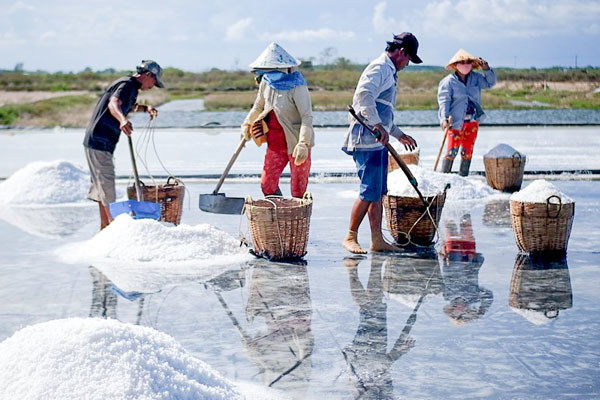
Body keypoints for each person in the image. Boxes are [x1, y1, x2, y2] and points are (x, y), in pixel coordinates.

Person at [342, 33, 420, 254]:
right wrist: (377, 125)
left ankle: (377, 239)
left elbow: (383, 112)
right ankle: (350, 236)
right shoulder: (380, 68)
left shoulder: (389, 71)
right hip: (366, 140)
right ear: (401, 52)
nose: (407, 65)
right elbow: (364, 96)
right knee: (369, 191)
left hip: (377, 141)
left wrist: (397, 133)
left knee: (378, 192)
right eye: (408, 59)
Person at [83, 60, 164, 229]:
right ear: (148, 75)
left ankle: (104, 227)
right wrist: (122, 120)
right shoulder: (126, 85)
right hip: (100, 139)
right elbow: (114, 104)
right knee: (106, 183)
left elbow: (128, 106)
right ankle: (114, 229)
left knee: (101, 185)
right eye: (153, 82)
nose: (152, 86)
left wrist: (146, 108)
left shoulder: (130, 88)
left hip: (98, 140)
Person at [241, 42, 314, 198]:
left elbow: (306, 116)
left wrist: (303, 143)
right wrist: (247, 123)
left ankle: (295, 218)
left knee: (298, 190)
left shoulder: (297, 86)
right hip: (275, 142)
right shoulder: (267, 83)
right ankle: (277, 213)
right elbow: (258, 107)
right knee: (267, 184)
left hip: (295, 142)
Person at [437, 49, 496, 176]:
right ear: (456, 65)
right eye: (462, 62)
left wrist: (486, 69)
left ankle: (463, 178)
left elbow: (490, 83)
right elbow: (444, 101)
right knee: (452, 151)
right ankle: (444, 177)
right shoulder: (448, 82)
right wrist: (444, 119)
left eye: (468, 62)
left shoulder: (476, 78)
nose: (465, 65)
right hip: (455, 122)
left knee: (467, 151)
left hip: (472, 121)